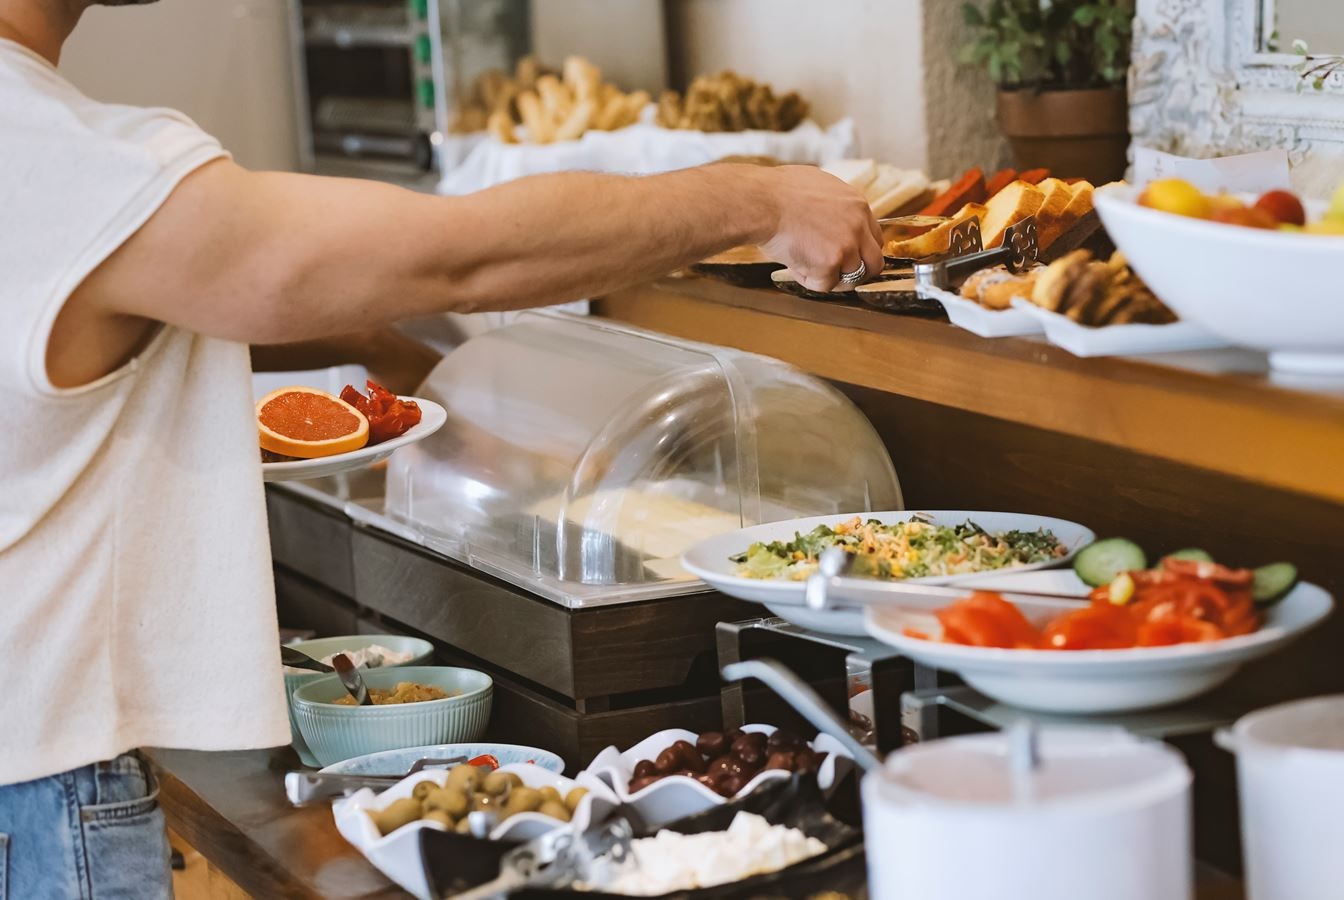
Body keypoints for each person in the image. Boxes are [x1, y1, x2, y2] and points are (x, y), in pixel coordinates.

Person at [0, 0, 883, 895]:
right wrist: (758, 194)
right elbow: (458, 259)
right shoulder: (56, 149)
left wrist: (392, 357)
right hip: (41, 786)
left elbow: (118, 300)